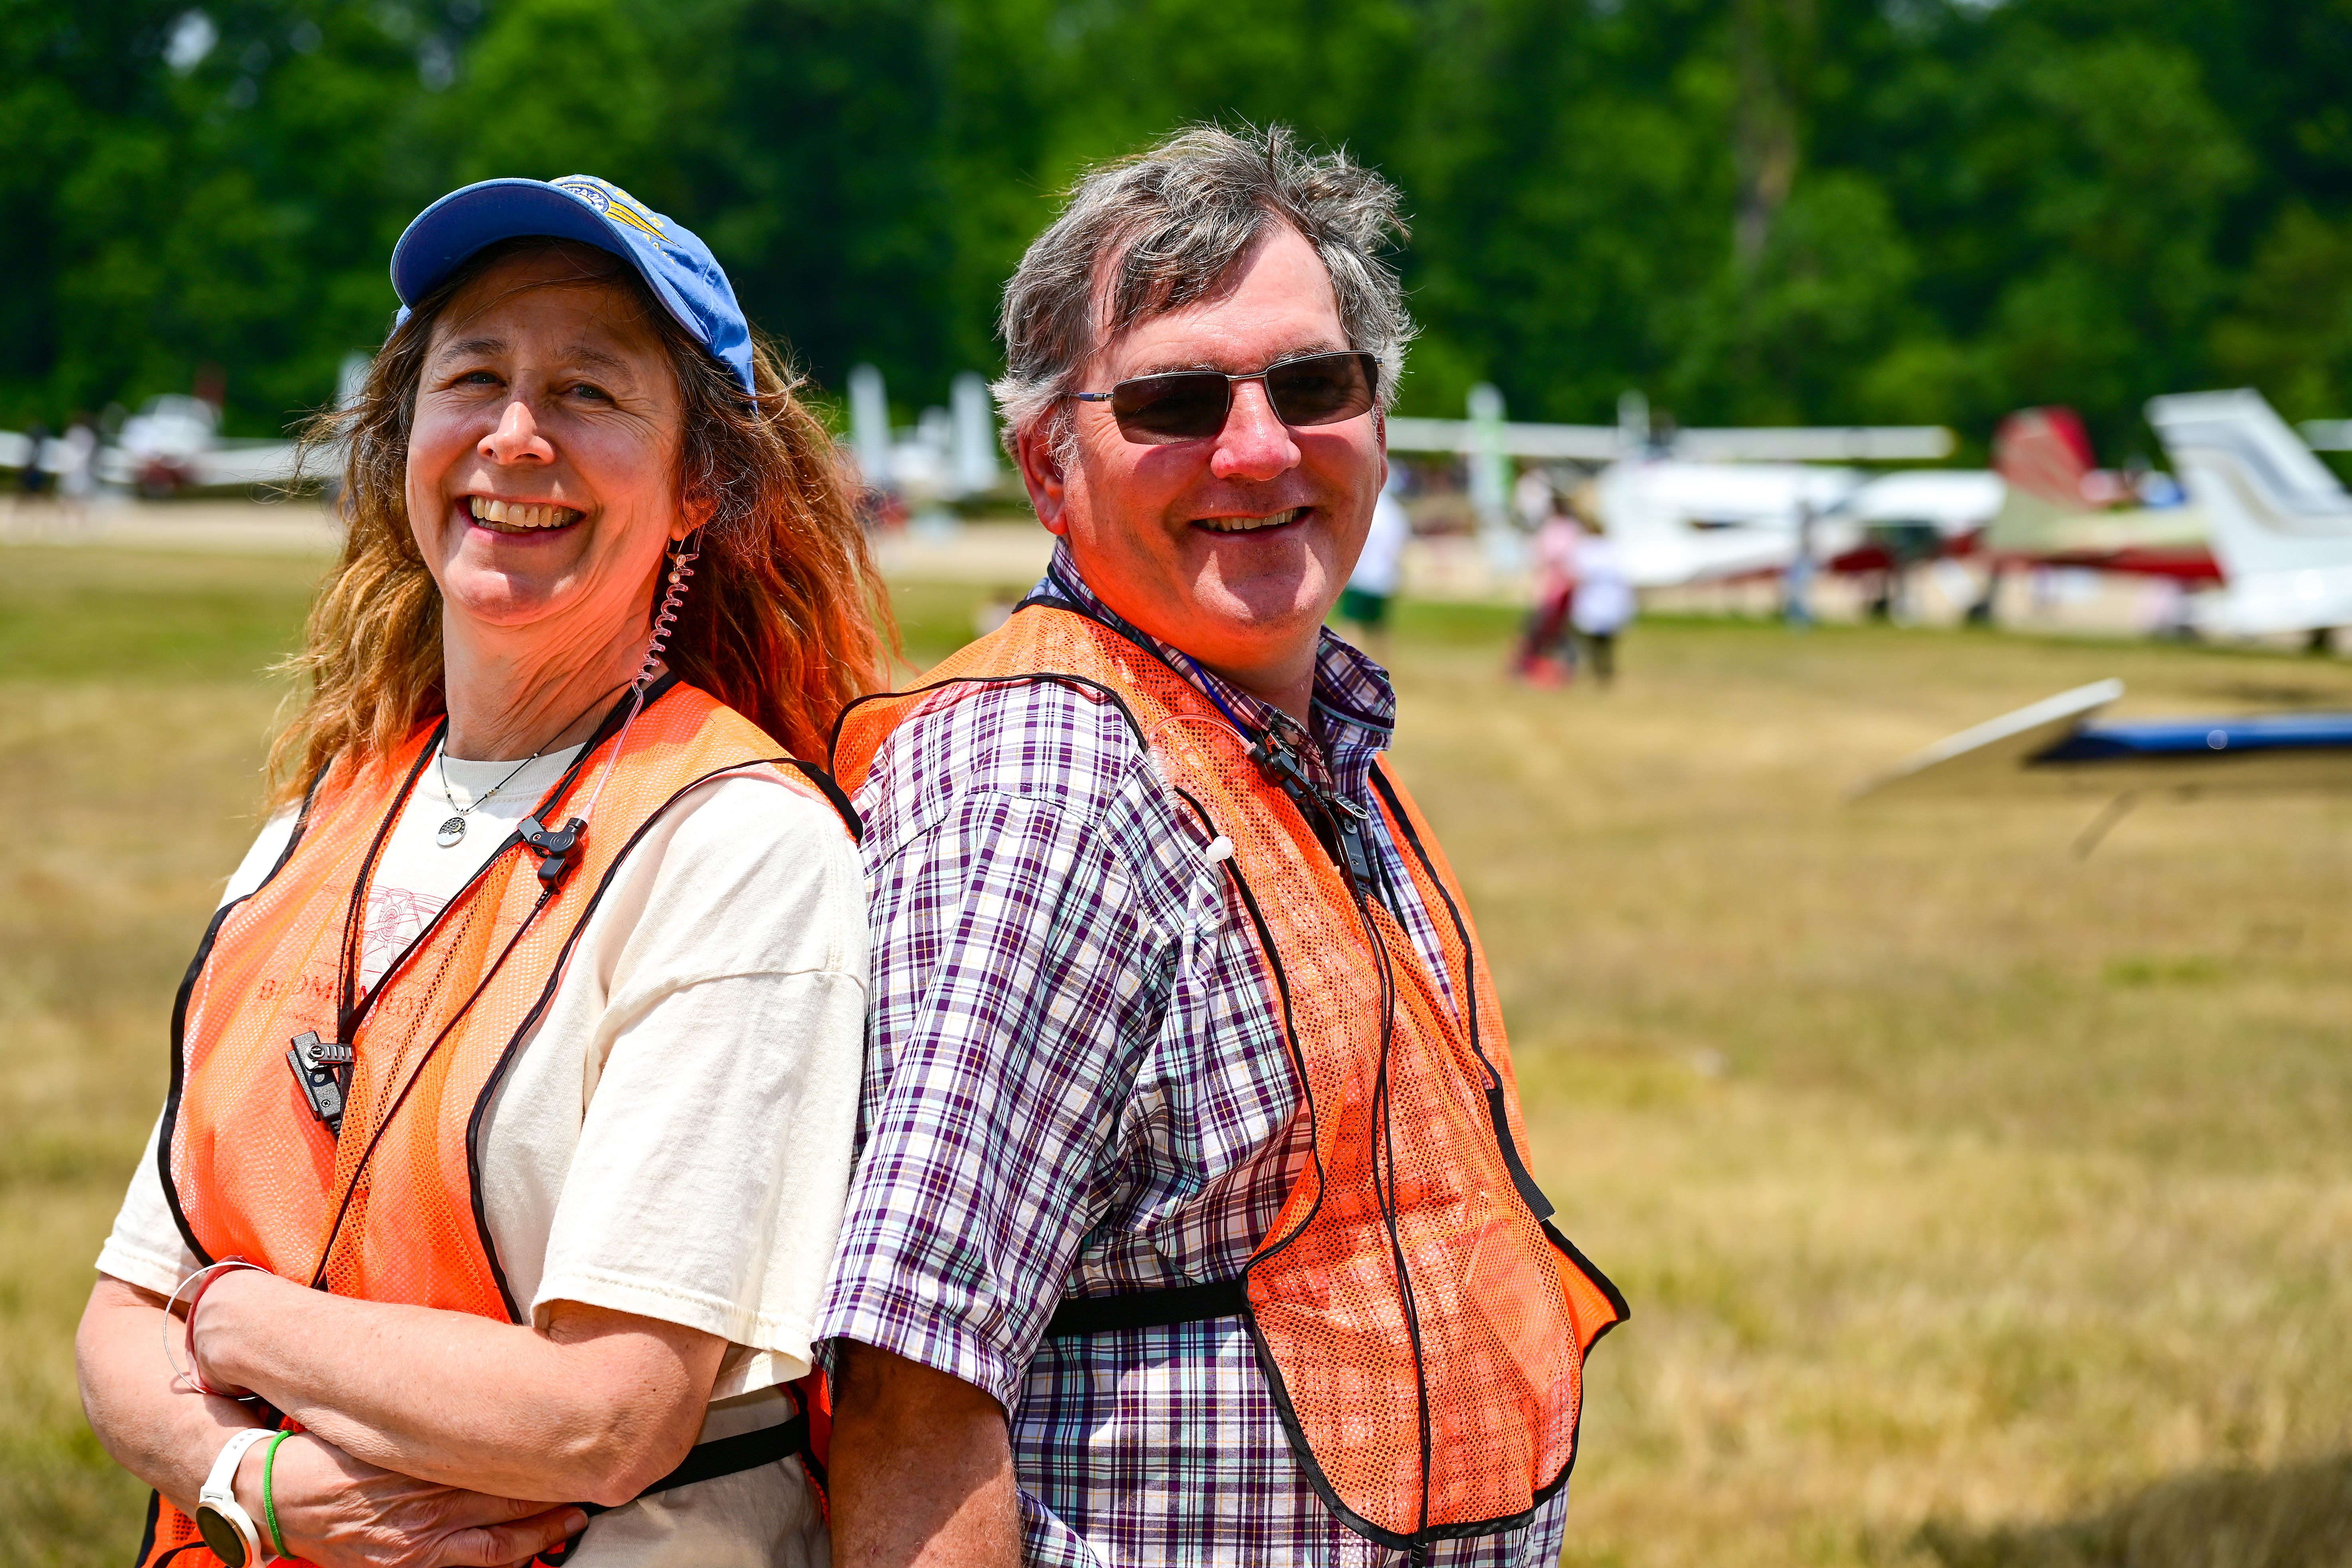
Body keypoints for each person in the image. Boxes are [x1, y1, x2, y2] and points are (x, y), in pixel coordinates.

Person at [817, 124, 1624, 1568]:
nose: (1256, 448)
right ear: (1047, 468)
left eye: (1312, 384)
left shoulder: (1307, 744)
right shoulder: (1049, 777)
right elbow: (912, 1381)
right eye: (1175, 402)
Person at [75, 174, 886, 1568]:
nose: (517, 435)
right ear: (406, 440)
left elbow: (606, 1409)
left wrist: (234, 1321)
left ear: (700, 483)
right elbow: (110, 1320)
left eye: (589, 391)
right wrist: (250, 1478)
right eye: (475, 377)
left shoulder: (736, 844)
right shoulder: (318, 822)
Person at [1336, 468, 1412, 655]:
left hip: (1362, 577)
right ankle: (1384, 669)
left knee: (1352, 626)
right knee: (1379, 630)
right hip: (1385, 579)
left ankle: (1346, 667)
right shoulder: (1397, 515)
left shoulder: (1369, 510)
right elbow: (1399, 548)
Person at [1513, 493, 1580, 684]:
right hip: (1559, 590)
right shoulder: (1570, 530)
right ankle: (1562, 668)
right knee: (1555, 633)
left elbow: (1546, 558)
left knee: (1540, 632)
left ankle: (1523, 668)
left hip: (1553, 591)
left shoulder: (1555, 530)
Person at [1569, 513, 1633, 687]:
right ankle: (1604, 673)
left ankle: (1598, 673)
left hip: (1593, 601)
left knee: (1591, 642)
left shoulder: (1586, 550)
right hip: (1610, 601)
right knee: (1605, 643)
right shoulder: (1613, 549)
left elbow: (1577, 576)